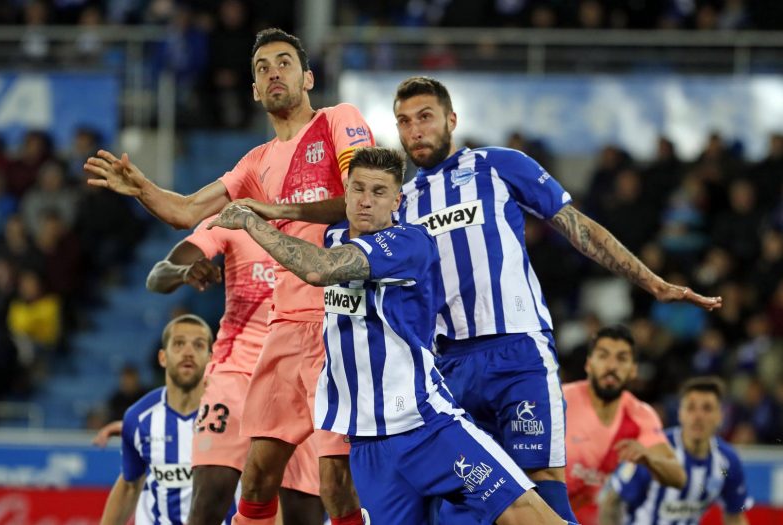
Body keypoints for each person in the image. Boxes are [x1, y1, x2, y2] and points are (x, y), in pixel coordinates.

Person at [228, 76, 721, 523]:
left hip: (516, 349)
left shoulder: (497, 166)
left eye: (425, 117)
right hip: (445, 365)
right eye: (403, 121)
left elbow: (577, 228)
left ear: (451, 120)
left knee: (541, 482)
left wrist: (651, 282)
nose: (414, 130)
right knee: (458, 508)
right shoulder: (400, 204)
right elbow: (344, 233)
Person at [84, 28, 374, 525]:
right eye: (262, 68)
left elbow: (361, 202)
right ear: (255, 91)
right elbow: (187, 210)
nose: (273, 72)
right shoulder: (254, 163)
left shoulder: (336, 121)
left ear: (307, 77)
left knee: (335, 485)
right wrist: (143, 189)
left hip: (340, 324)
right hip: (283, 333)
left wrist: (266, 210)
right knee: (254, 479)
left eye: (284, 63)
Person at [209, 146, 575, 524]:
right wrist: (280, 210)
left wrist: (253, 222)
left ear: (397, 200)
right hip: (367, 443)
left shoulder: (407, 243)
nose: (366, 202)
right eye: (358, 190)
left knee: (522, 513)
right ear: (345, 193)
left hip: (425, 425)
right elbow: (327, 219)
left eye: (379, 192)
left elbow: (319, 270)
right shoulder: (334, 234)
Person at [145, 215, 324, 524]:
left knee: (303, 513)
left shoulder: (322, 223)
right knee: (210, 499)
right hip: (235, 377)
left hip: (300, 380)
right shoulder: (234, 220)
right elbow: (157, 276)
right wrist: (184, 272)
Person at [563, 325, 687, 525]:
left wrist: (649, 458)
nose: (612, 366)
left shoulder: (641, 416)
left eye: (621, 358)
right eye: (603, 356)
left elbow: (678, 477)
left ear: (633, 370)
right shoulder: (559, 402)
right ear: (589, 364)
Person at [99, 314, 213, 525]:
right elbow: (130, 486)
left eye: (198, 345)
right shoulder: (139, 418)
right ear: (162, 357)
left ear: (211, 358)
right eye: (179, 344)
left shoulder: (235, 414)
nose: (188, 352)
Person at [600, 376, 753, 525]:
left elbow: (735, 517)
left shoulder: (727, 462)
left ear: (720, 416)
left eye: (707, 408)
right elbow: (611, 502)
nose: (698, 416)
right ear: (680, 413)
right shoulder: (654, 449)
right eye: (691, 407)